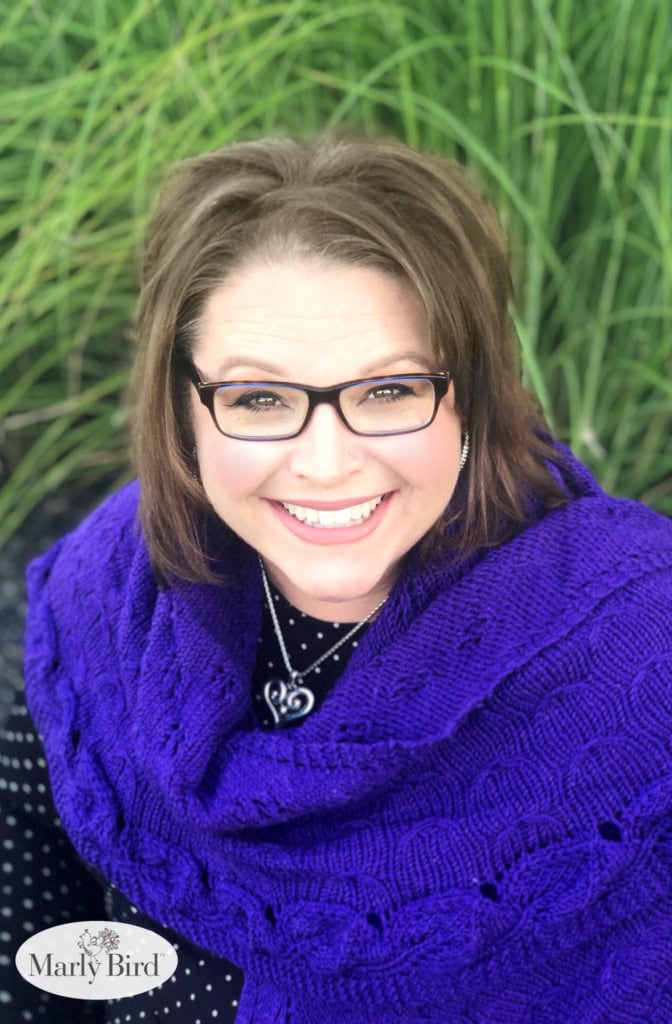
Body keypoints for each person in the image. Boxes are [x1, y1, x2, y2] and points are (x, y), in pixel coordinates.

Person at [5, 133, 672, 1023]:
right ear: (182, 408)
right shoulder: (107, 598)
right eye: (259, 399)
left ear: (470, 392)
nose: (326, 464)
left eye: (389, 391)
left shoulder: (641, 652)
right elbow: (34, 962)